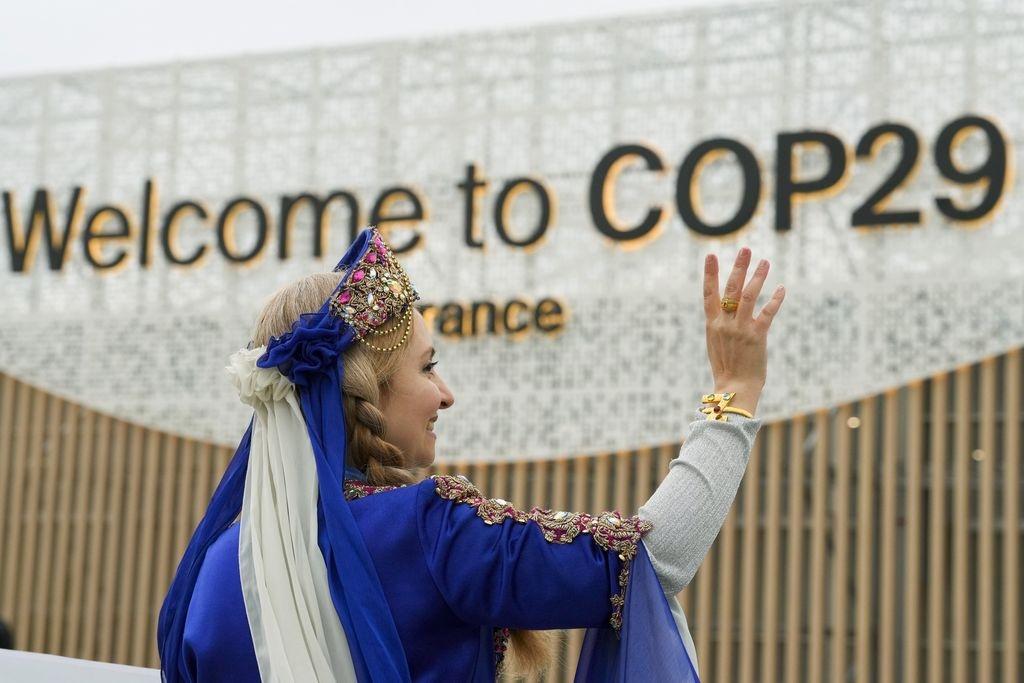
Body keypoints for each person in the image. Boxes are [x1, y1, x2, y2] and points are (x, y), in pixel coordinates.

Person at [157, 228, 785, 682]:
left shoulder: (212, 572)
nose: (445, 394)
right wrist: (733, 396)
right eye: (428, 367)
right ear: (366, 392)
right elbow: (652, 557)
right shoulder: (433, 531)